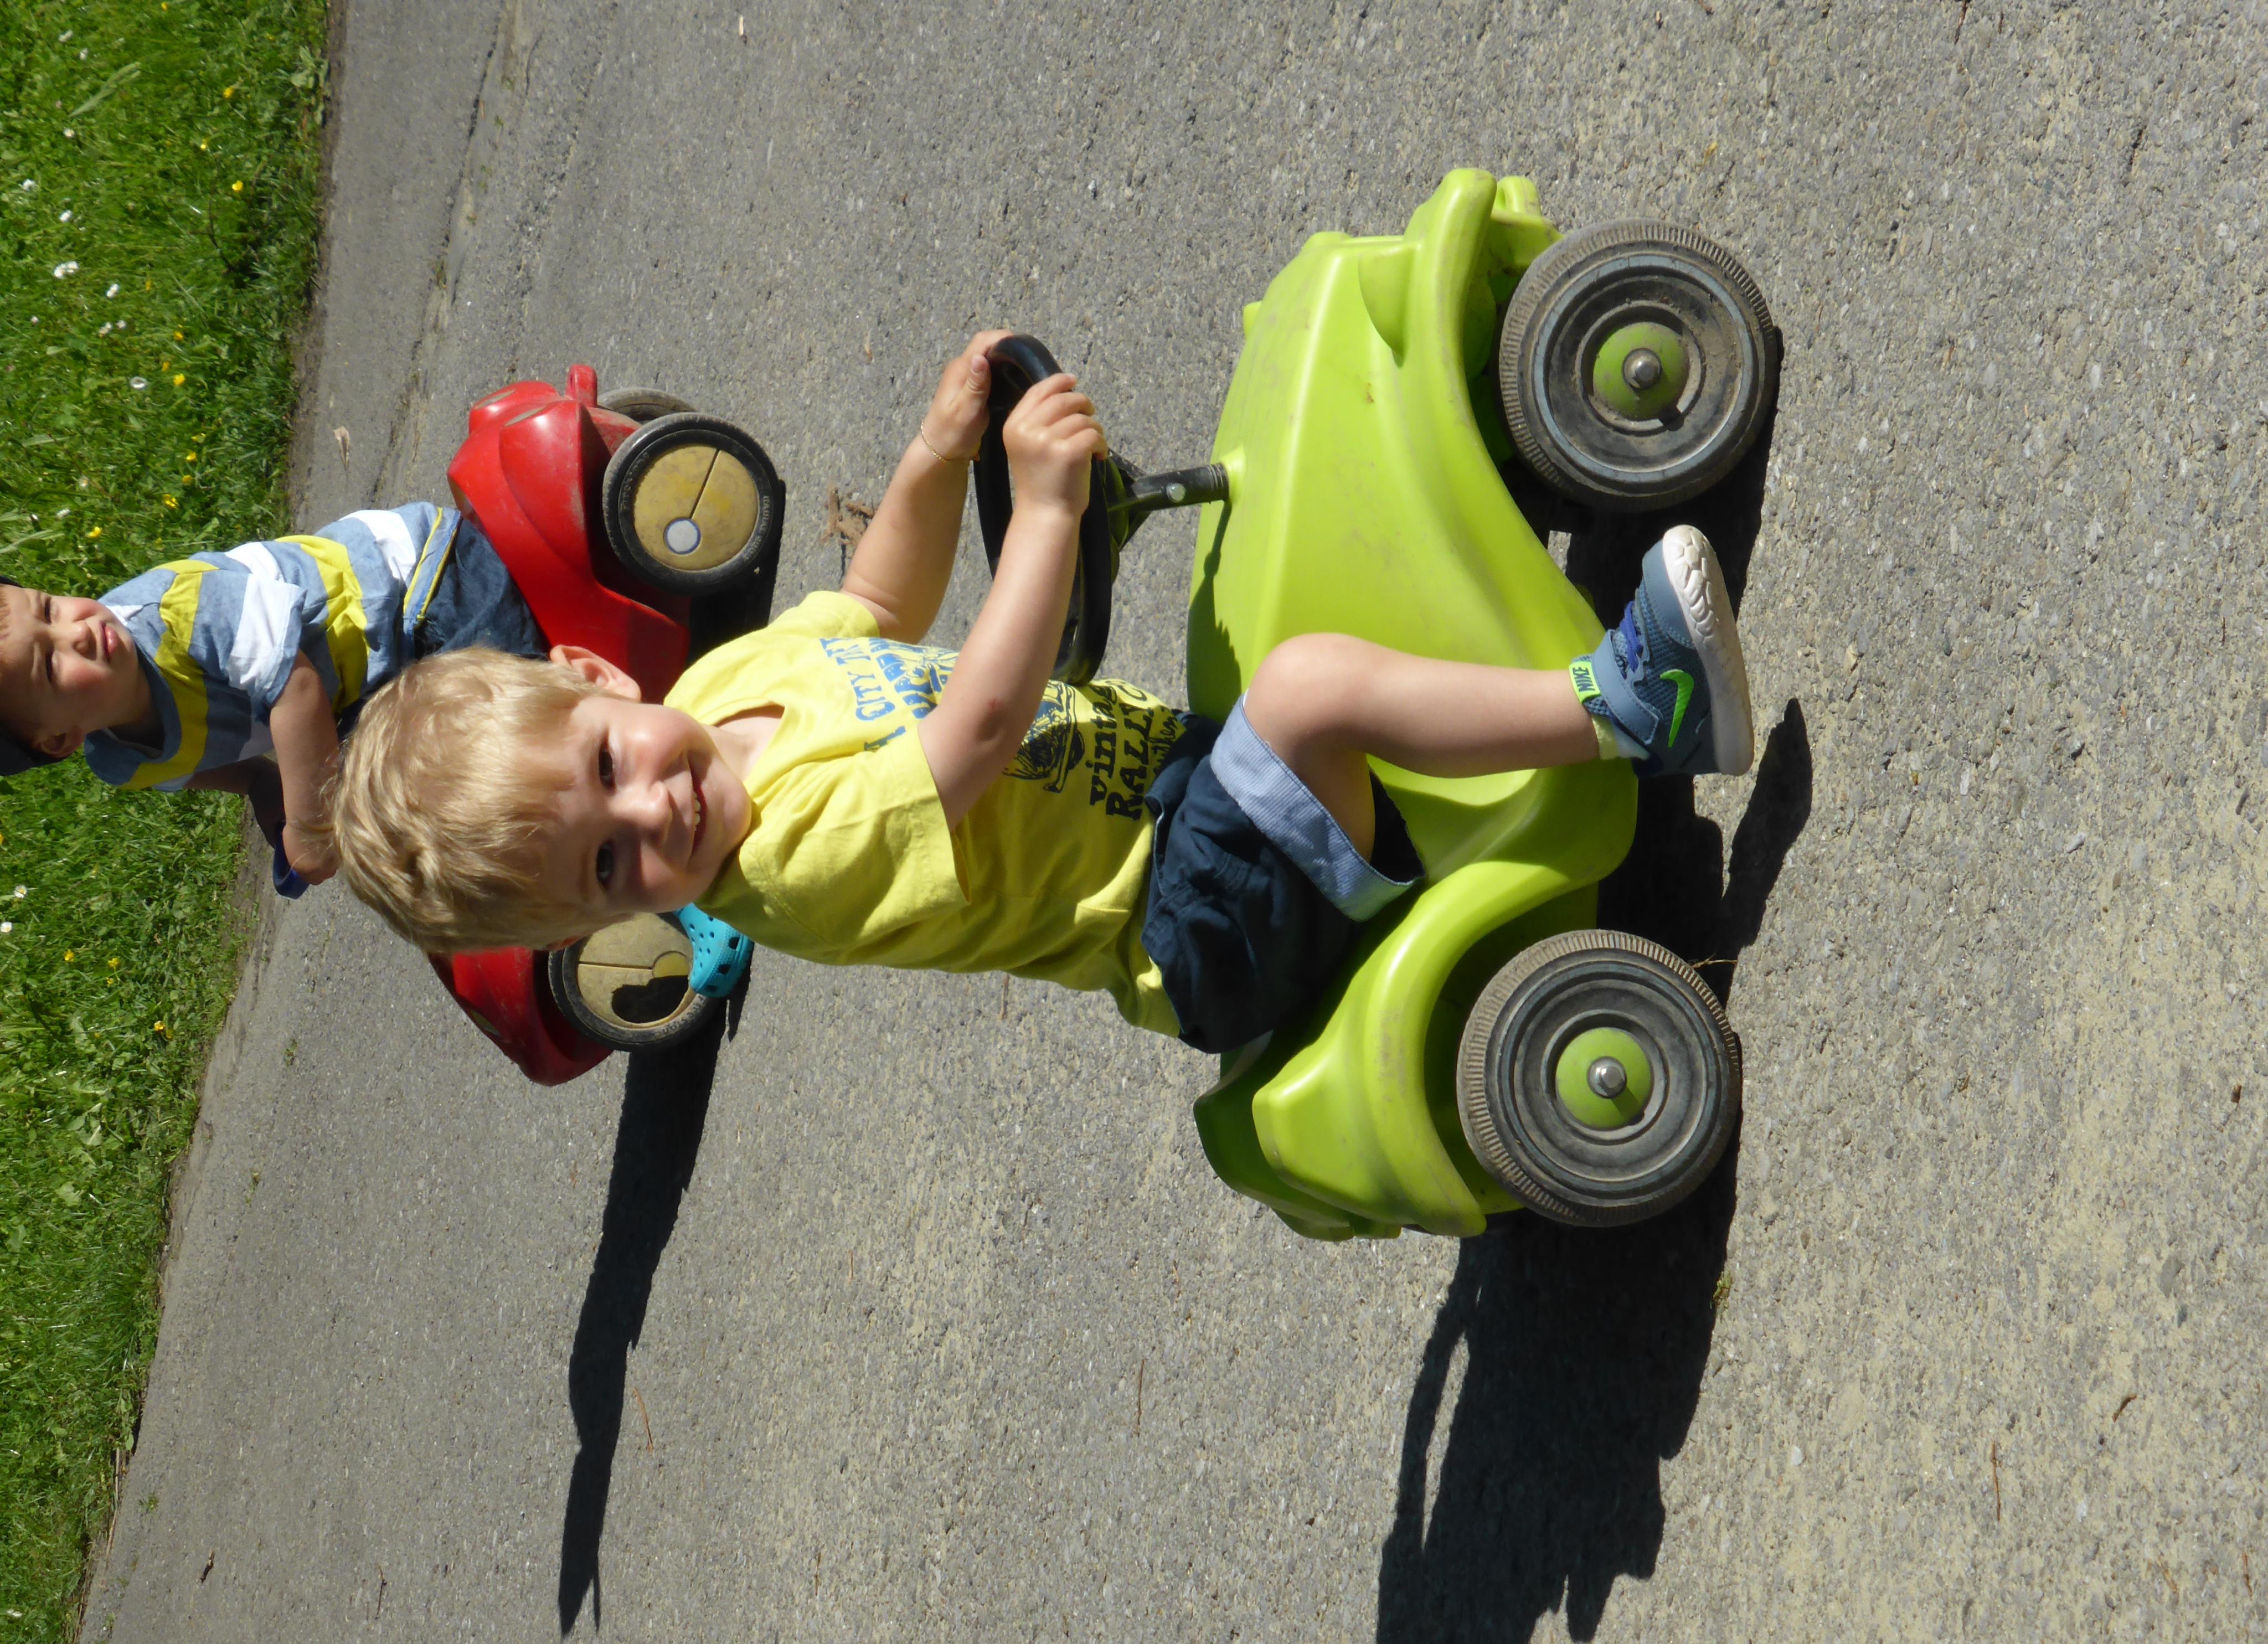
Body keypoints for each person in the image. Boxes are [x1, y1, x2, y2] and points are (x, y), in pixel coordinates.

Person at [328, 333, 1754, 1054]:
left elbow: (874, 605)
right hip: (1196, 923)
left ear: (592, 676)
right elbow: (981, 723)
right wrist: (1047, 511)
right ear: (600, 924)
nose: (654, 812)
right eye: (610, 867)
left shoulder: (723, 683)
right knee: (1306, 686)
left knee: (1298, 609)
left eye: (606, 767)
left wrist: (935, 456)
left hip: (1179, 797)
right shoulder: (795, 860)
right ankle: (1637, 709)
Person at [0, 506, 547, 884]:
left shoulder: (179, 613)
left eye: (48, 608)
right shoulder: (122, 762)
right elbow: (188, 763)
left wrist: (312, 830)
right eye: (50, 664)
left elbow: (297, 690)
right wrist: (260, 783)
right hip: (364, 689)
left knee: (515, 735)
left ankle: (573, 771)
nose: (75, 630)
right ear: (59, 739)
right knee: (411, 808)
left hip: (412, 589)